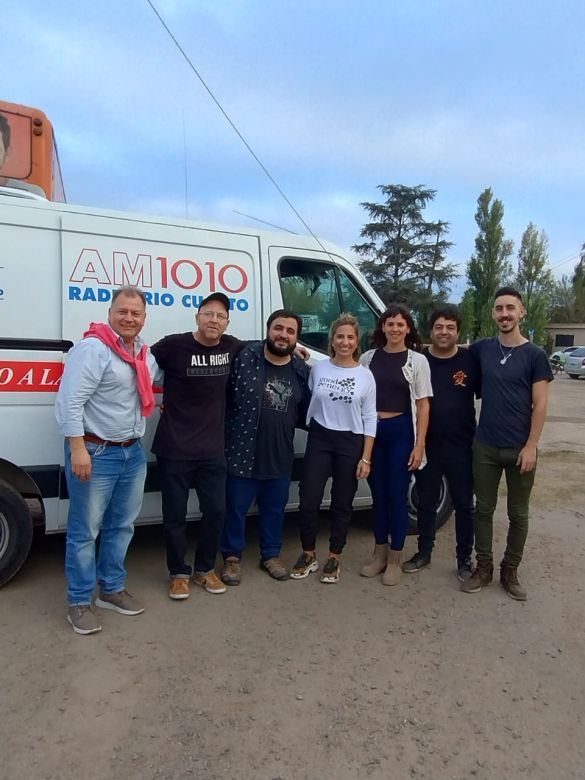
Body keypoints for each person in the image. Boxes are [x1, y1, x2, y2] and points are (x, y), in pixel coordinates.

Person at [55, 286, 159, 635]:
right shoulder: (93, 349)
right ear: (110, 312)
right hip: (95, 452)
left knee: (122, 526)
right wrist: (77, 448)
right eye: (122, 311)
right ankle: (79, 602)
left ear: (144, 317)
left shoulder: (144, 353)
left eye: (136, 313)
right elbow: (69, 402)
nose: (129, 318)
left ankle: (111, 590)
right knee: (85, 532)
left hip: (132, 451)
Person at [150, 293, 244, 600]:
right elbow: (137, 364)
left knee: (216, 512)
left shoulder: (232, 346)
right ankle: (178, 573)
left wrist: (298, 349)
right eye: (208, 314)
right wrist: (151, 402)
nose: (213, 320)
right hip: (174, 448)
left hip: (213, 450)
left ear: (227, 322)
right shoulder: (172, 346)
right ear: (197, 317)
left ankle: (205, 570)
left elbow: (266, 347)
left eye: (220, 316)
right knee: (174, 516)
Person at [461, 287, 553, 600]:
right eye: (499, 308)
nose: (504, 314)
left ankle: (509, 570)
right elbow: (448, 351)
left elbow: (540, 405)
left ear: (521, 312)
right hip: (485, 445)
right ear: (493, 314)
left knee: (518, 513)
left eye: (510, 308)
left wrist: (532, 446)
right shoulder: (483, 348)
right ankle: (483, 567)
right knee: (483, 510)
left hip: (520, 447)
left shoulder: (535, 355)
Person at [220, 310, 311, 585]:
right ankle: (232, 559)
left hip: (279, 453)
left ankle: (270, 555)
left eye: (290, 331)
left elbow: (307, 408)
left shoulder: (300, 369)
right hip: (241, 451)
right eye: (278, 328)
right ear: (268, 329)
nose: (283, 335)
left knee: (274, 510)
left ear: (296, 338)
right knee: (234, 509)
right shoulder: (245, 356)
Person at [290, 314, 377, 584]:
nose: (345, 341)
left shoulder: (365, 376)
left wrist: (366, 457)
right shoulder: (318, 370)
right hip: (320, 438)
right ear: (332, 340)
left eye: (350, 337)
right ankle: (308, 553)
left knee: (342, 502)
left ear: (356, 341)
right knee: (308, 499)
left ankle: (335, 555)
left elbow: (370, 417)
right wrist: (294, 349)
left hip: (350, 441)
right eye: (340, 336)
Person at [402, 306, 480, 581]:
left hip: (462, 444)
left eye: (450, 327)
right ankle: (424, 552)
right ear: (431, 330)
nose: (444, 332)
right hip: (427, 444)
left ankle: (463, 560)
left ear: (458, 331)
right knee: (426, 502)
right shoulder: (418, 360)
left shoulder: (471, 360)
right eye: (439, 327)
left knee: (464, 504)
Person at [359, 304, 432, 585]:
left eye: (400, 324)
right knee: (377, 497)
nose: (395, 329)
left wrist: (420, 445)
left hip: (401, 431)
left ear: (408, 328)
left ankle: (395, 558)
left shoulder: (417, 361)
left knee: (397, 496)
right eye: (390, 323)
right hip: (372, 432)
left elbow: (423, 405)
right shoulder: (368, 358)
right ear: (383, 327)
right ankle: (379, 555)